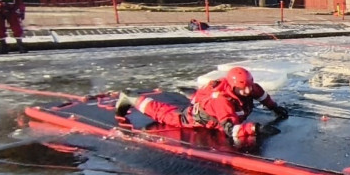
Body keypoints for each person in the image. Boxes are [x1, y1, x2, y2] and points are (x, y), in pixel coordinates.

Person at [115, 66, 290, 143]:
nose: (247, 91)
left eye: (249, 87)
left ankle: (191, 94)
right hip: (201, 117)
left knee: (202, 98)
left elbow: (262, 96)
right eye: (243, 89)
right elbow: (231, 129)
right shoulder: (222, 101)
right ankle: (130, 98)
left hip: (209, 100)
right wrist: (255, 129)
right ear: (233, 87)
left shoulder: (249, 88)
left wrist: (275, 108)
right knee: (165, 114)